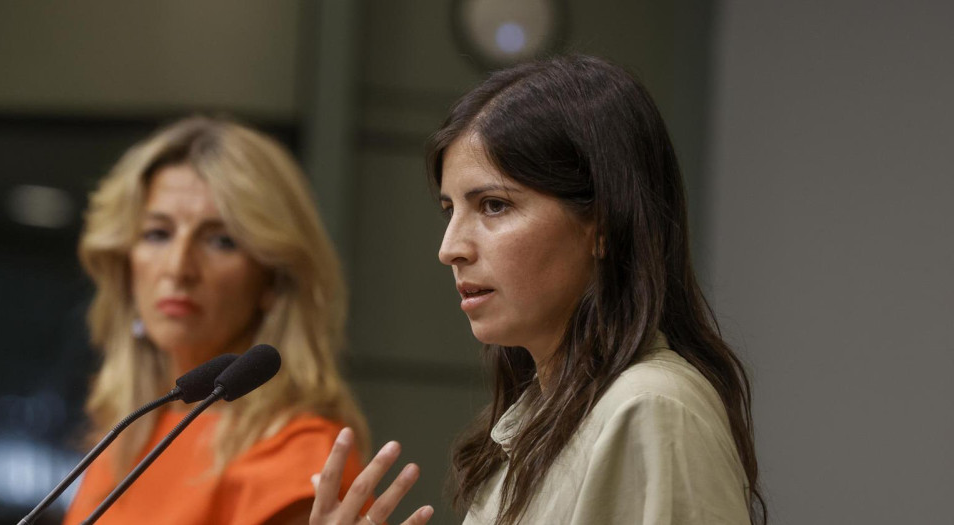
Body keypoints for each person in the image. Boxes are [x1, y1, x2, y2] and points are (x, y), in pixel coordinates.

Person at [309, 55, 765, 525]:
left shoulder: (647, 407)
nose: (450, 249)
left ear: (604, 223)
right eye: (450, 210)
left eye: (493, 205)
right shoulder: (545, 413)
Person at [64, 116, 369, 525]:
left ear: (272, 280)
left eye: (220, 240)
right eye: (158, 233)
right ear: (126, 263)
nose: (179, 268)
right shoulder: (127, 432)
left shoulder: (301, 458)